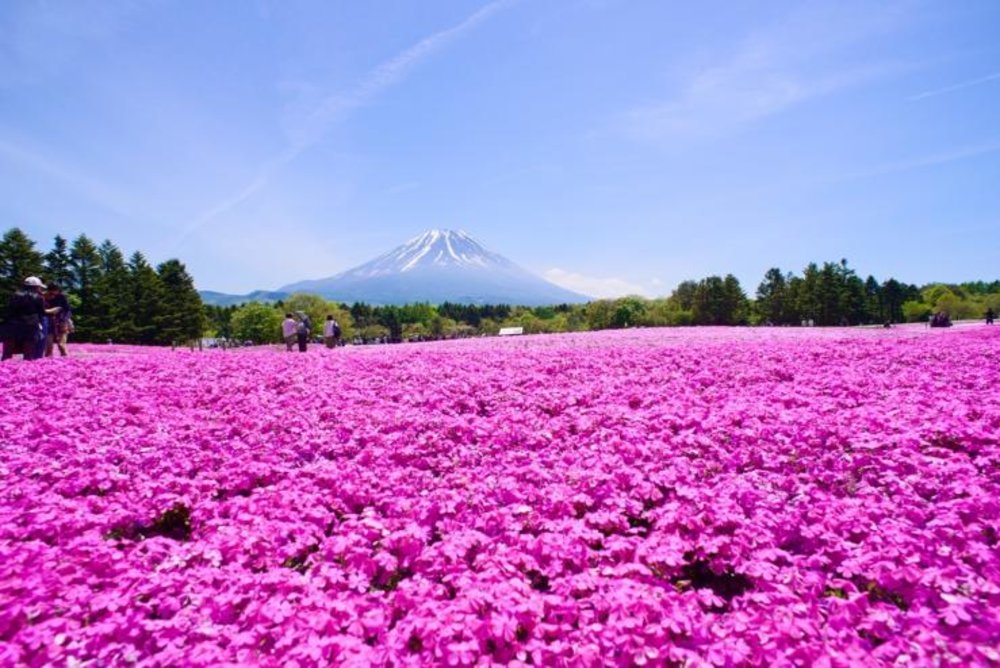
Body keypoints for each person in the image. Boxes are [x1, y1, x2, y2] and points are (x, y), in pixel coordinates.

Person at [2, 277, 48, 361]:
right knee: (28, 353)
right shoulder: (39, 297)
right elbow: (42, 313)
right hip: (31, 326)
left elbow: (9, 310)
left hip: (13, 325)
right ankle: (25, 371)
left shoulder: (15, 295)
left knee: (7, 353)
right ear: (36, 287)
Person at [43, 284, 72, 357]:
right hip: (48, 322)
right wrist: (49, 311)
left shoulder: (61, 297)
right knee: (49, 347)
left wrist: (64, 320)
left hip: (61, 321)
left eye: (56, 293)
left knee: (61, 345)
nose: (53, 295)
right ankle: (47, 364)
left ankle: (66, 363)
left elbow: (67, 310)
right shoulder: (42, 297)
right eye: (51, 293)